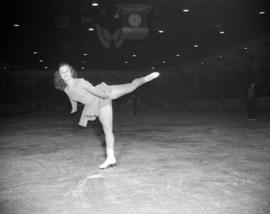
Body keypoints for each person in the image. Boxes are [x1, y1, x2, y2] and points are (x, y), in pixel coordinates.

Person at [53, 63, 160, 169]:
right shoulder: (66, 89)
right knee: (107, 129)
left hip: (103, 95)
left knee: (132, 86)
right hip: (94, 105)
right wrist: (74, 109)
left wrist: (106, 95)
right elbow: (72, 98)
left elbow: (94, 90)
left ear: (71, 72)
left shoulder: (80, 82)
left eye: (67, 71)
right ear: (60, 75)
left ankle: (146, 78)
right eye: (62, 72)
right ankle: (111, 158)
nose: (65, 73)